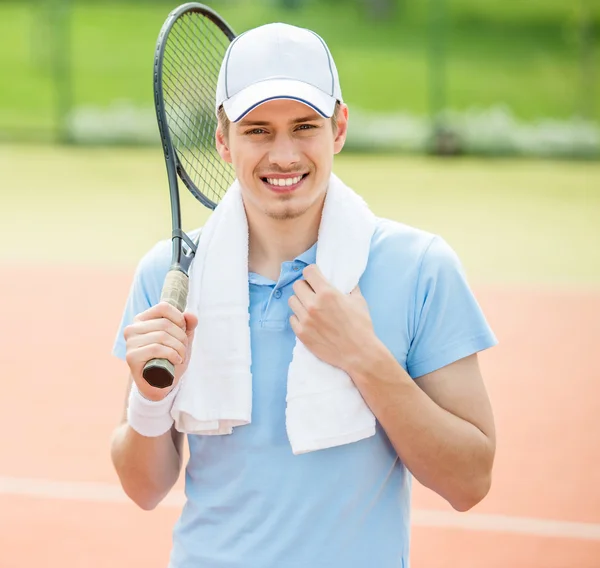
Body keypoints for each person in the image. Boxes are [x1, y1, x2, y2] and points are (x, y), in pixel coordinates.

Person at [110, 22, 497, 568]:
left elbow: (470, 481)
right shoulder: (169, 275)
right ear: (223, 140)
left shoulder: (421, 269)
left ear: (339, 127)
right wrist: (149, 401)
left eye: (303, 126)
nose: (284, 154)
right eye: (258, 131)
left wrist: (365, 357)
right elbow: (143, 488)